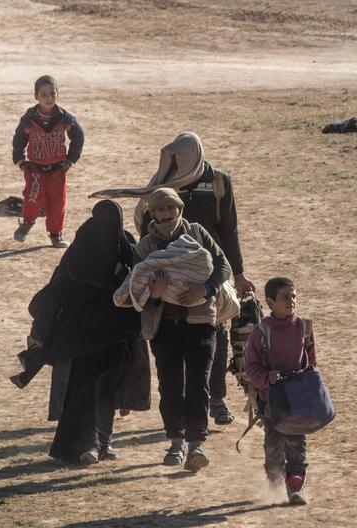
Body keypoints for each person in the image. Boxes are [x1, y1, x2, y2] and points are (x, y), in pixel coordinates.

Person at [95, 131, 254, 425]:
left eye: (181, 160)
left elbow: (229, 230)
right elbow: (146, 233)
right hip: (167, 277)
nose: (175, 166)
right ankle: (178, 421)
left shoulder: (218, 182)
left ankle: (216, 401)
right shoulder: (163, 189)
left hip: (205, 274)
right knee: (171, 345)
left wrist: (237, 275)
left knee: (215, 338)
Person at [10, 201, 146, 464]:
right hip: (86, 336)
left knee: (106, 388)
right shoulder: (86, 251)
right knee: (89, 389)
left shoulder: (124, 250)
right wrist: (40, 331)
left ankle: (101, 442)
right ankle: (89, 444)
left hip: (116, 335)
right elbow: (57, 292)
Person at [136, 188, 232, 471]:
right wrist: (155, 294)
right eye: (160, 210)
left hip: (201, 321)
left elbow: (223, 266)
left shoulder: (198, 234)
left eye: (171, 208)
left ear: (179, 209)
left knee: (199, 383)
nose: (166, 215)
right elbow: (136, 289)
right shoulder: (145, 247)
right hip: (165, 325)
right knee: (171, 384)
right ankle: (175, 443)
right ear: (152, 214)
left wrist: (204, 288)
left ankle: (196, 445)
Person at [244, 277, 317, 506]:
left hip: (297, 400)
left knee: (297, 444)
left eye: (293, 296)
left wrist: (310, 385)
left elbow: (312, 363)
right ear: (270, 302)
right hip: (271, 400)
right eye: (285, 297)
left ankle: (296, 489)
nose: (291, 301)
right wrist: (267, 378)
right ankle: (275, 483)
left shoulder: (304, 326)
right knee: (274, 447)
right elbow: (250, 367)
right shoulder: (261, 332)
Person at [11, 75, 85, 248]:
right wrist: (20, 159)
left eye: (52, 93)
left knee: (57, 202)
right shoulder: (29, 119)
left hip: (58, 168)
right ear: (36, 96)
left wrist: (71, 160)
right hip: (35, 167)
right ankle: (27, 223)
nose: (49, 98)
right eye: (43, 94)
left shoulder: (65, 119)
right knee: (33, 197)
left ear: (57, 95)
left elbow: (78, 136)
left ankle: (55, 234)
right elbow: (19, 139)